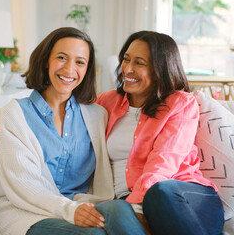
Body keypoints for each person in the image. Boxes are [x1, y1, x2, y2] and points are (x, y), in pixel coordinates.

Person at [0, 27, 146, 235]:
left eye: (80, 62)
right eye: (62, 58)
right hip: (24, 213)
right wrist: (71, 211)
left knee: (120, 212)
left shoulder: (98, 115)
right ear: (46, 60)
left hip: (81, 207)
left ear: (87, 69)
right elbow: (23, 184)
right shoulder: (16, 113)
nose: (70, 69)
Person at [96, 31, 225, 235]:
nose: (128, 69)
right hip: (125, 201)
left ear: (160, 69)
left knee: (160, 190)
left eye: (139, 63)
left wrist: (137, 207)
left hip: (185, 200)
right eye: (126, 59)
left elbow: (163, 163)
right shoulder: (106, 101)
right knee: (114, 209)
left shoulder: (180, 103)